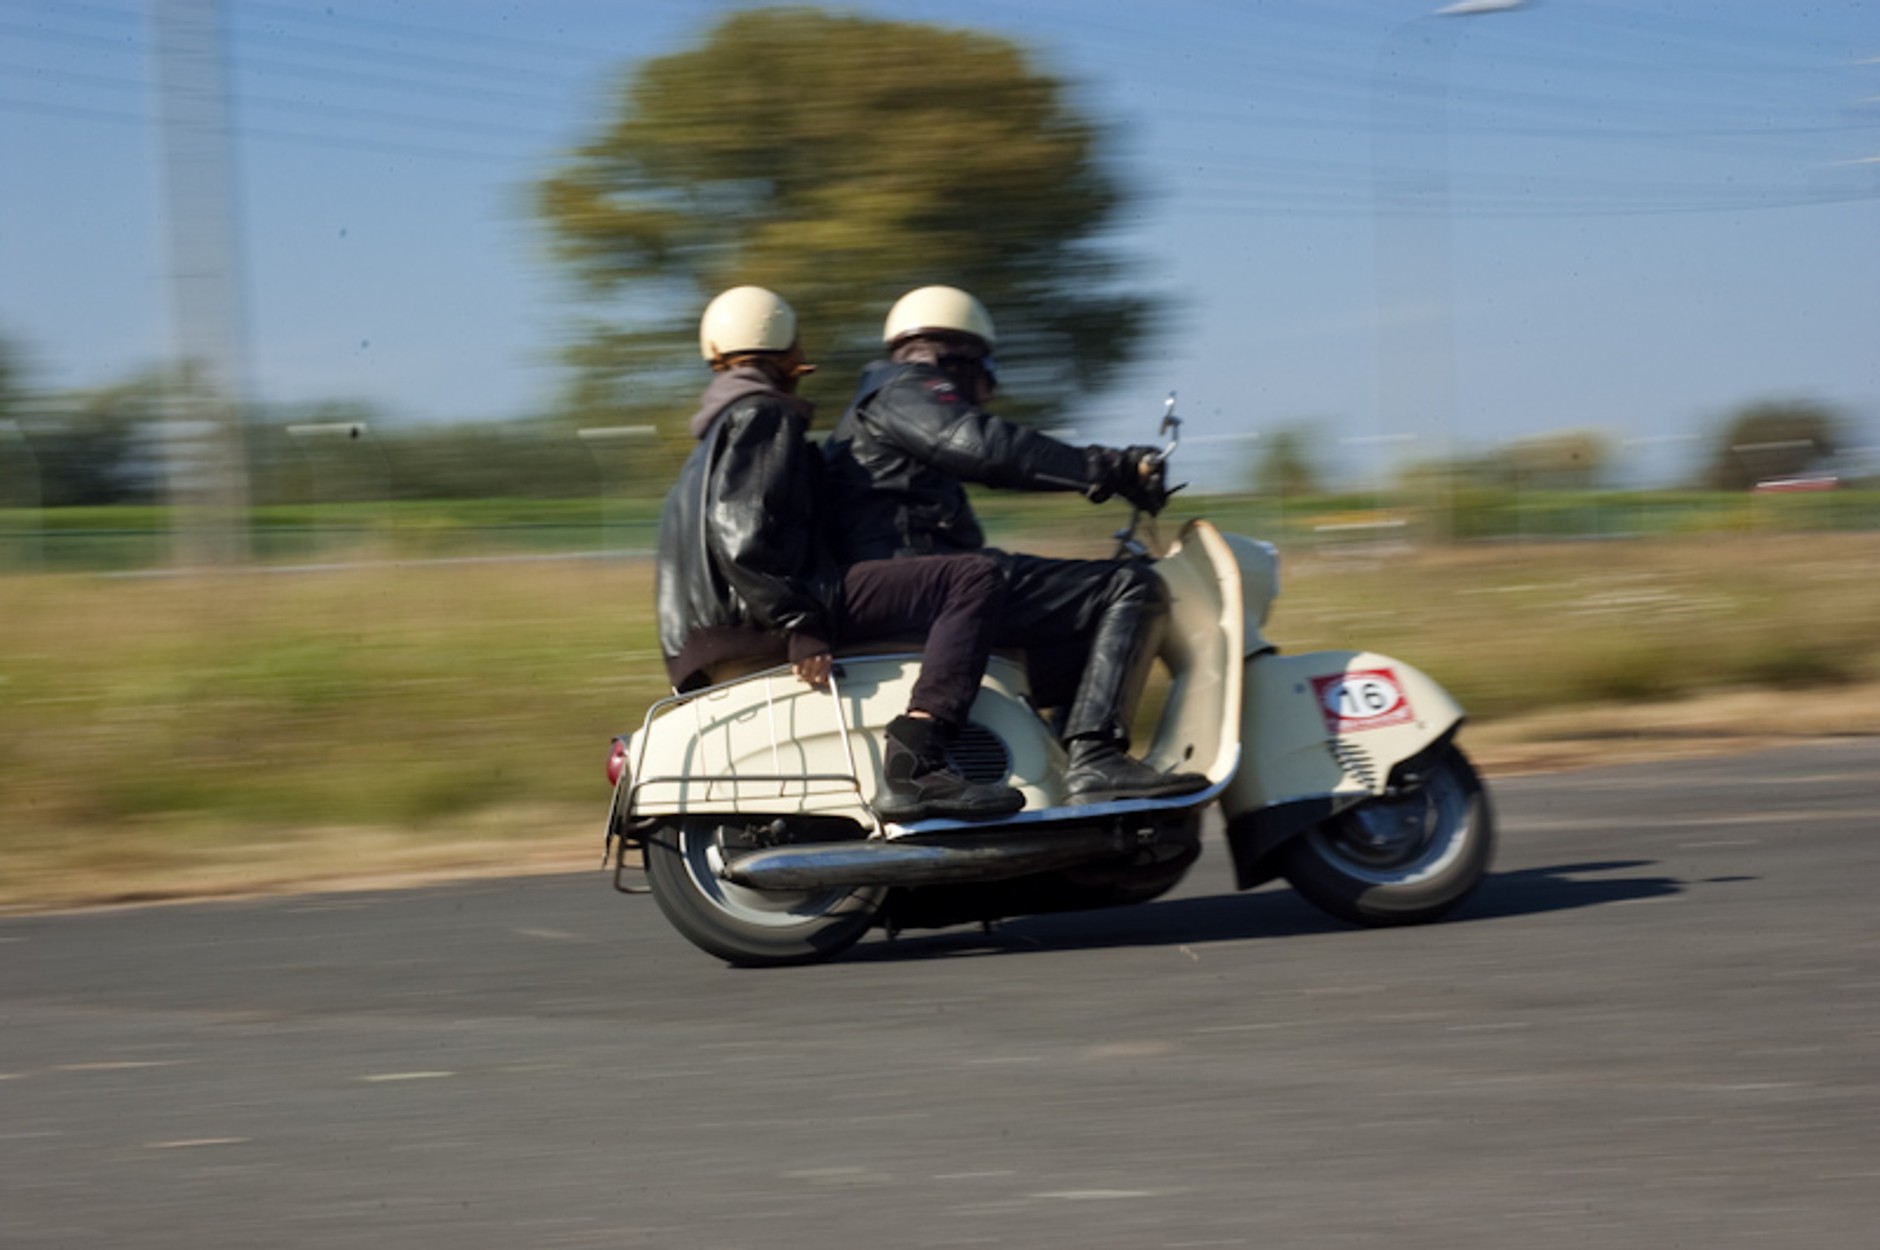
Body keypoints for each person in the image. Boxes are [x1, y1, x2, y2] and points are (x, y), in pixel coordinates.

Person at [821, 285, 1209, 805]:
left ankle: (1062, 768)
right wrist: (1108, 468)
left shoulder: (886, 398)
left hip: (917, 582)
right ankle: (1095, 759)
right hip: (924, 581)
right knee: (1130, 587)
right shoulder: (906, 388)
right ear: (959, 358)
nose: (986, 394)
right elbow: (983, 446)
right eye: (987, 376)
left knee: (1084, 634)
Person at [654, 286, 1024, 824]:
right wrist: (801, 622)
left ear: (715, 350)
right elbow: (744, 534)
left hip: (706, 632)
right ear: (786, 347)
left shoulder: (715, 431)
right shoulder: (763, 415)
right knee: (974, 577)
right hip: (759, 616)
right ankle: (915, 765)